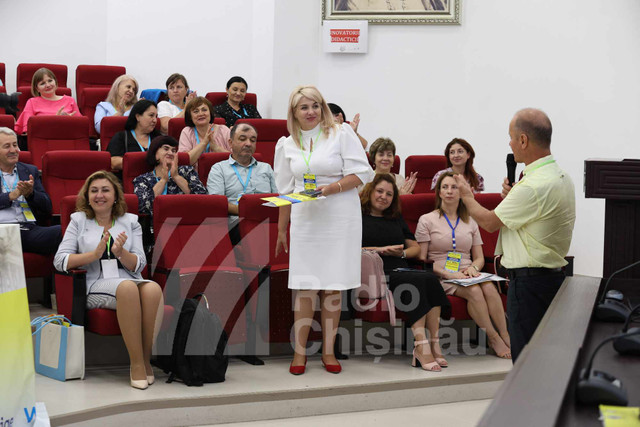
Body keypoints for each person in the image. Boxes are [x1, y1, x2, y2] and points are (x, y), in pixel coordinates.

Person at [453, 108, 575, 362]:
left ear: (523, 140)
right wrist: (513, 199)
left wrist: (466, 195)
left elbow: (488, 222)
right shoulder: (562, 177)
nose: (509, 143)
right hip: (552, 279)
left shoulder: (532, 186)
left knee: (526, 363)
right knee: (543, 360)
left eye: (511, 137)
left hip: (529, 285)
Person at [274, 85, 374, 375]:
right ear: (294, 112)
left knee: (332, 288)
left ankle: (329, 352)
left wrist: (332, 188)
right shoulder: (286, 144)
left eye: (316, 106)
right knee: (306, 288)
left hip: (339, 215)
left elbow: (362, 173)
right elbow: (285, 190)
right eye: (304, 107)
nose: (311, 112)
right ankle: (299, 353)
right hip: (306, 220)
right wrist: (282, 229)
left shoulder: (341, 134)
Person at [54, 171, 164, 389]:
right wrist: (93, 255)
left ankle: (145, 358)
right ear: (87, 196)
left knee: (152, 289)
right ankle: (136, 365)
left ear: (115, 195)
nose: (99, 195)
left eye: (105, 190)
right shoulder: (78, 221)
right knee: (127, 288)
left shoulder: (130, 221)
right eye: (93, 191)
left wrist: (122, 252)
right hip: (95, 284)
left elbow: (140, 263)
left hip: (126, 277)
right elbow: (60, 260)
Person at [416, 172, 511, 359]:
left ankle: (506, 334)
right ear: (439, 192)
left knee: (490, 289)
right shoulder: (426, 220)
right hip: (442, 275)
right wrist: (449, 275)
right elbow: (422, 259)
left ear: (462, 192)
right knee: (475, 291)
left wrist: (473, 268)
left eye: (454, 187)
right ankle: (493, 339)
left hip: (469, 272)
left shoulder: (471, 221)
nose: (450, 191)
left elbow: (479, 258)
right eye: (445, 187)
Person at [361, 174, 450, 371]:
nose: (384, 196)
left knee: (428, 278)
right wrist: (379, 250)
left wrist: (401, 252)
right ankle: (421, 344)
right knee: (414, 281)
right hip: (374, 272)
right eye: (380, 191)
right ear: (370, 191)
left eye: (389, 194)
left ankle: (434, 342)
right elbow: (350, 249)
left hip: (398, 266)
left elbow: (415, 249)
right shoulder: (358, 216)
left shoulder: (395, 218)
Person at [0, 127, 61, 254]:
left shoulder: (29, 171)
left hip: (27, 230)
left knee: (65, 230)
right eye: (7, 146)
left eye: (15, 145)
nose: (13, 150)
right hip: (1, 231)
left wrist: (31, 194)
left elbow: (47, 206)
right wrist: (10, 196)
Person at [206, 123, 277, 218]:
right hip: (236, 222)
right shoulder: (219, 169)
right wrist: (248, 212)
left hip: (266, 219)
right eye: (242, 139)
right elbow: (217, 204)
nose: (248, 144)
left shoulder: (266, 168)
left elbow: (278, 198)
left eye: (253, 140)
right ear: (230, 143)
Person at [133, 136, 206, 215]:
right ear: (155, 153)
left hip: (186, 219)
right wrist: (163, 180)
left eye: (174, 150)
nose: (171, 153)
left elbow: (202, 197)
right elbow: (142, 207)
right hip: (156, 223)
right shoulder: (143, 179)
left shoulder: (186, 171)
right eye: (166, 149)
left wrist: (176, 177)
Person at [14, 68, 81, 134]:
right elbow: (28, 129)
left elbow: (81, 125)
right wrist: (54, 121)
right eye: (42, 83)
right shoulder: (32, 102)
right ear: (37, 88)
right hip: (42, 140)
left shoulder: (70, 100)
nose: (48, 85)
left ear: (55, 82)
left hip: (68, 137)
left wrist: (70, 121)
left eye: (50, 81)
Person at [107, 100, 161, 172]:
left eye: (156, 116)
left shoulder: (159, 138)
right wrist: (145, 161)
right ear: (138, 117)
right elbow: (113, 162)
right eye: (151, 115)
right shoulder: (121, 137)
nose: (155, 120)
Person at [178, 97, 232, 169]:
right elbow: (184, 161)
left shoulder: (224, 130)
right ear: (190, 116)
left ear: (210, 113)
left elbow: (235, 160)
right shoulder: (187, 132)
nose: (201, 114)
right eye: (196, 111)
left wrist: (216, 148)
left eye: (204, 110)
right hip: (195, 177)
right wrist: (204, 143)